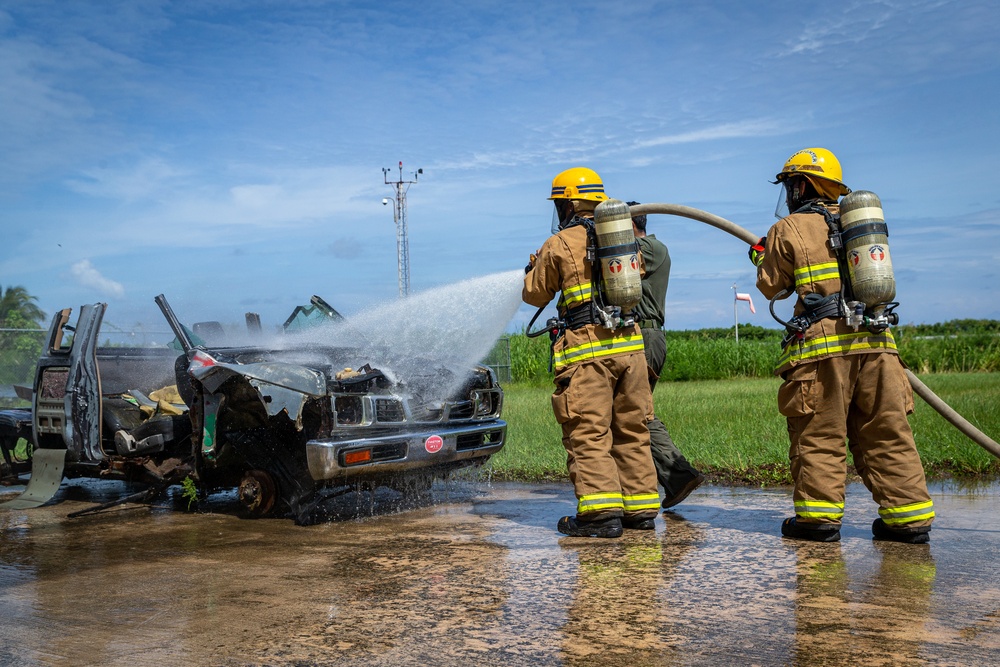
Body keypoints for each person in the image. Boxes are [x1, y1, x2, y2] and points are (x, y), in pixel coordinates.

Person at [750, 147, 935, 544]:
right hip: (879, 344)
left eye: (790, 185)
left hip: (823, 351)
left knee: (818, 435)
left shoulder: (789, 228)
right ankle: (909, 521)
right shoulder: (861, 225)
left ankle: (817, 521)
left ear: (802, 185)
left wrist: (760, 255)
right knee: (888, 433)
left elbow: (771, 286)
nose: (788, 194)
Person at [523, 167, 660, 538]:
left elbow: (535, 294)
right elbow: (640, 272)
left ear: (569, 203)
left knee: (589, 432)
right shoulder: (622, 236)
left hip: (587, 351)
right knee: (632, 429)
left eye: (560, 204)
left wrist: (534, 267)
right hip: (631, 348)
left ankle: (599, 515)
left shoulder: (559, 243)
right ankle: (641, 509)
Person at [626, 201, 705, 509]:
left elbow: (612, 259)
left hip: (645, 337)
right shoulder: (641, 249)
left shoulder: (651, 249)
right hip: (639, 337)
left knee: (636, 412)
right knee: (629, 412)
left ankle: (679, 475)